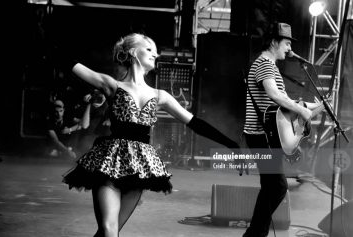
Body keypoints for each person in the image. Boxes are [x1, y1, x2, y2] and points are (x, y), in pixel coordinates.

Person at [60, 33, 240, 237]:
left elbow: (195, 123)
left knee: (110, 233)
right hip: (109, 162)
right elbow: (70, 64)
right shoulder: (111, 85)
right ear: (132, 52)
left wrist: (231, 144)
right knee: (109, 231)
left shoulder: (160, 95)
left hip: (139, 168)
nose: (155, 53)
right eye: (149, 49)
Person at [242, 22, 323, 237]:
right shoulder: (265, 64)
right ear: (273, 42)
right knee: (277, 187)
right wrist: (304, 111)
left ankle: (255, 233)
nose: (289, 48)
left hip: (265, 136)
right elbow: (274, 95)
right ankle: (254, 234)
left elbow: (285, 101)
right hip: (260, 136)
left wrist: (317, 106)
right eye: (286, 43)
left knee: (271, 187)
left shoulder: (270, 66)